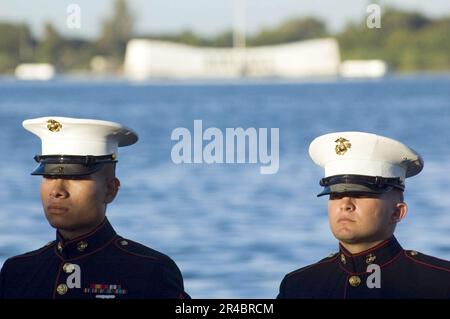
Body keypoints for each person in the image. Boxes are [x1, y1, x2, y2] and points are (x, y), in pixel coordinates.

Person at [0, 116, 190, 299]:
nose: (57, 190)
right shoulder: (17, 272)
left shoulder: (149, 271)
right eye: (49, 176)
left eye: (75, 177)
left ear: (110, 190)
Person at [277, 131, 450, 299]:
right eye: (336, 195)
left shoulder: (440, 283)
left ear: (397, 212)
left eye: (360, 194)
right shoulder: (298, 286)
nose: (345, 205)